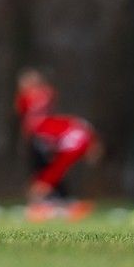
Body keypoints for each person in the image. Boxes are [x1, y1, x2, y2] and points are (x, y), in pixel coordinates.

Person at [15, 68, 101, 221]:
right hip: (40, 136)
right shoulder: (79, 139)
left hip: (43, 136)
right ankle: (48, 200)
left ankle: (52, 198)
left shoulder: (41, 95)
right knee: (45, 170)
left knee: (46, 171)